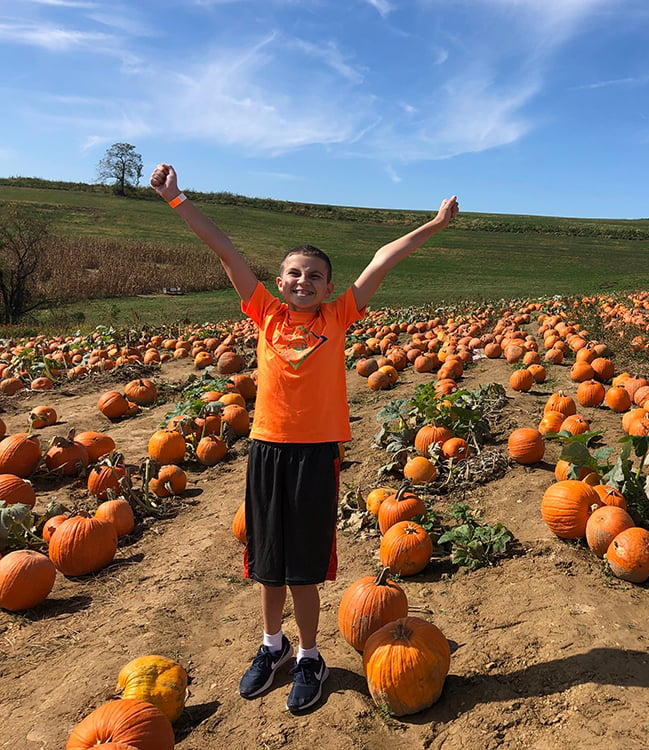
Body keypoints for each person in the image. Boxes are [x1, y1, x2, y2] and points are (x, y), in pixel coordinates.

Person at [150, 163, 458, 712]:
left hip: (316, 454)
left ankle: (311, 655)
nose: (302, 281)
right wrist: (177, 200)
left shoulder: (339, 316)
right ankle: (274, 646)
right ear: (279, 279)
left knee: (305, 565)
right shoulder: (263, 312)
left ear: (330, 288)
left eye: (314, 275)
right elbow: (224, 250)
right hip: (267, 449)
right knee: (268, 561)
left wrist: (434, 225)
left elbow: (383, 258)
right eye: (294, 272)